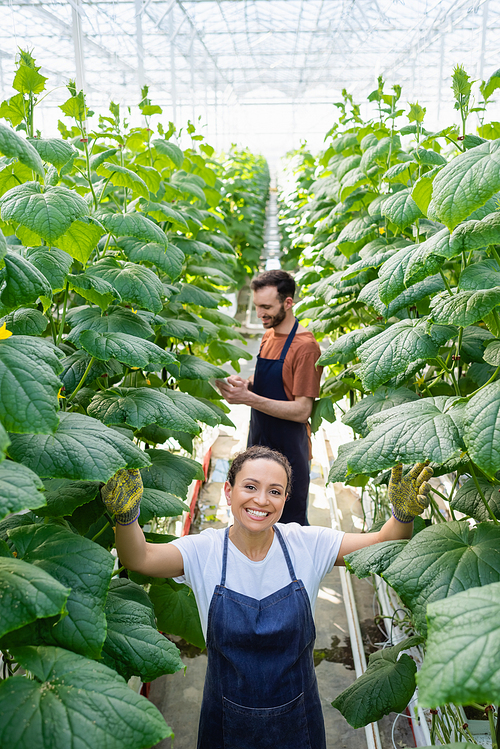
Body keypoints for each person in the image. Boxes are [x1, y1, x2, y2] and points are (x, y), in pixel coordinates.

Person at [102, 447, 433, 749]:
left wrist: (402, 516)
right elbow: (140, 558)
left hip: (297, 720)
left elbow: (381, 544)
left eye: (274, 491)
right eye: (250, 486)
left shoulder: (306, 544)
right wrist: (127, 517)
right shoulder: (205, 550)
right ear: (229, 491)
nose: (261, 500)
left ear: (286, 498)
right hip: (225, 722)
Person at [216, 269, 322, 526]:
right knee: (253, 518)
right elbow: (270, 384)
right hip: (259, 441)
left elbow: (301, 410)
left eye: (266, 307)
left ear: (288, 303)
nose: (260, 314)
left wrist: (248, 399)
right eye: (256, 307)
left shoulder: (305, 347)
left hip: (289, 450)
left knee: (288, 525)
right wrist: (246, 385)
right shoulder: (268, 335)